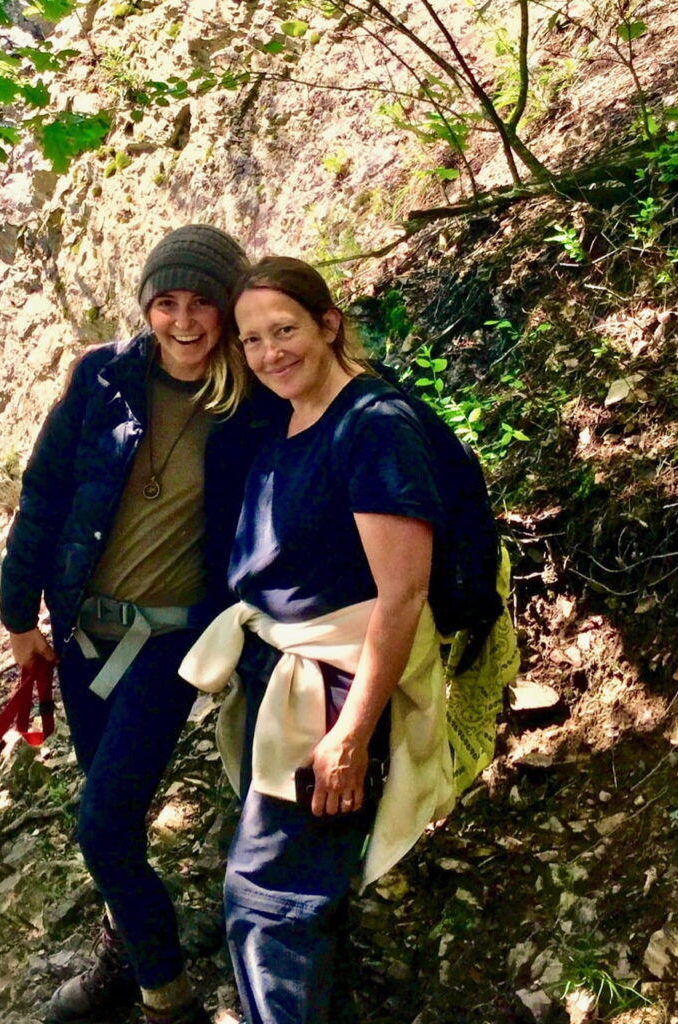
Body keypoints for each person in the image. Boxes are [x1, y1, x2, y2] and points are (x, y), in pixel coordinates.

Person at [179, 256, 456, 1024]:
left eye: (285, 330)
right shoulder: (291, 423)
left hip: (334, 686)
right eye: (253, 340)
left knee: (270, 901)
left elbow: (399, 595)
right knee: (286, 891)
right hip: (288, 676)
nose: (270, 353)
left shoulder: (372, 426)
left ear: (329, 323)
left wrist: (351, 735)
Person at [0, 224, 260, 1024]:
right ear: (146, 305)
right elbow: (44, 494)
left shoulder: (254, 401)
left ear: (228, 309)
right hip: (80, 635)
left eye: (201, 304)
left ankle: (163, 994)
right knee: (107, 806)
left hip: (171, 643)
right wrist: (18, 616)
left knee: (104, 823)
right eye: (165, 302)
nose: (183, 321)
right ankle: (127, 942)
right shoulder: (100, 378)